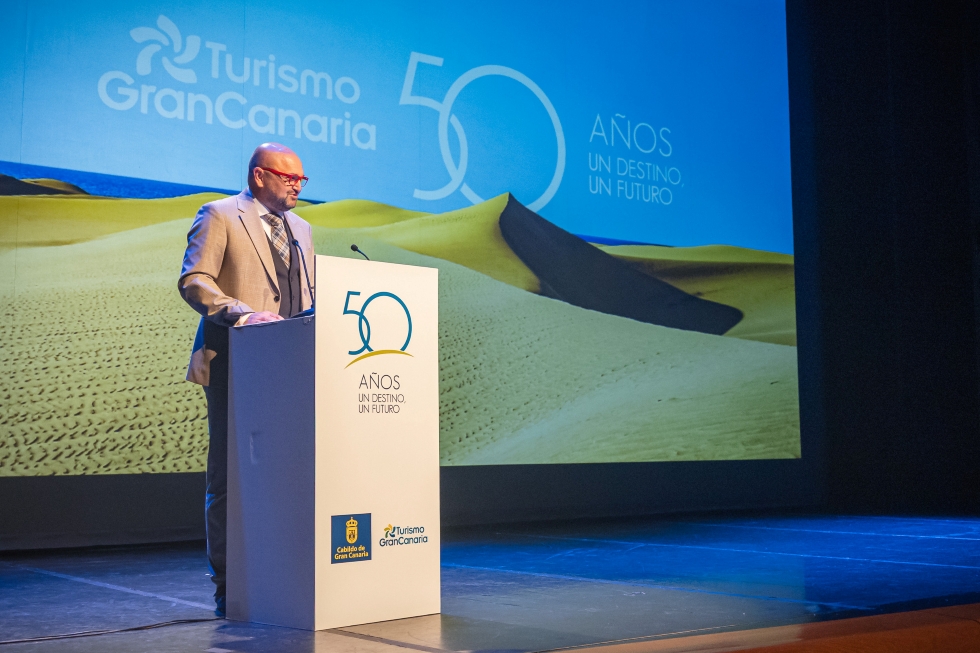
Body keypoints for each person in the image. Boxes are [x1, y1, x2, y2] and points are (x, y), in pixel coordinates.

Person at [178, 142, 314, 616]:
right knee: (231, 473)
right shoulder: (219, 214)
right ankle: (228, 581)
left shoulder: (302, 229)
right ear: (259, 176)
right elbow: (195, 280)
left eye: (302, 179)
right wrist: (243, 314)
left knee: (293, 470)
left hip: (292, 363)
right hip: (237, 358)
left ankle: (287, 569)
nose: (297, 185)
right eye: (288, 177)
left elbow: (304, 296)